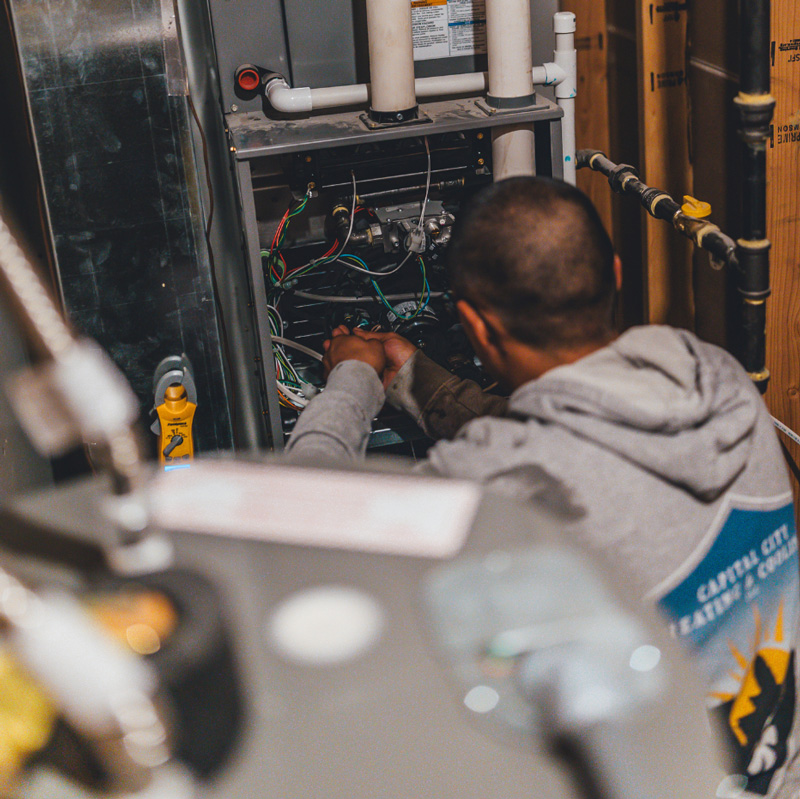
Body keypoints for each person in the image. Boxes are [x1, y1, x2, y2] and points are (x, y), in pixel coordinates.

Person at [285, 176, 800, 798]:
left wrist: (352, 382)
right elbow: (583, 430)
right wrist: (420, 382)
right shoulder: (721, 381)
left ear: (475, 323)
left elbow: (304, 514)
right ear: (612, 273)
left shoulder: (493, 487)